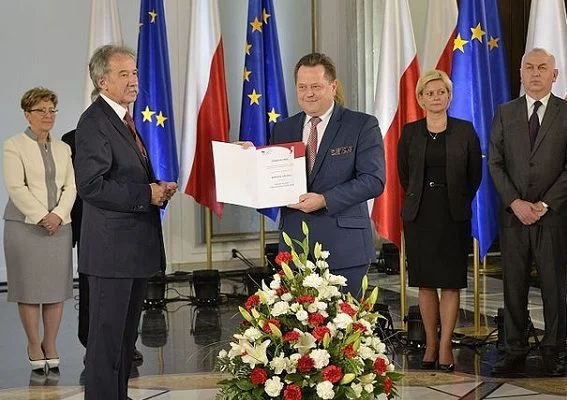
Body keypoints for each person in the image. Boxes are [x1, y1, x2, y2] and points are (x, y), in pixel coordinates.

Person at [74, 44, 177, 399]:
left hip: (131, 252)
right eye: (124, 74)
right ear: (102, 82)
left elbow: (124, 176)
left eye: (134, 73)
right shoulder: (94, 123)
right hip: (111, 255)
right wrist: (145, 194)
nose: (134, 80)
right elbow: (91, 186)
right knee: (106, 344)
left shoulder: (122, 120)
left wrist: (157, 188)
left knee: (123, 343)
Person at [270, 52, 385, 296]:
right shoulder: (282, 129)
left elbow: (373, 181)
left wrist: (325, 199)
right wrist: (249, 159)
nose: (308, 93)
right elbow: (272, 179)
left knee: (347, 320)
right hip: (295, 249)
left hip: (345, 248)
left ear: (333, 87)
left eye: (316, 86)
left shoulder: (361, 125)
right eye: (302, 87)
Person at [489, 47, 567, 377]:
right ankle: (514, 350)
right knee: (513, 286)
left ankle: (555, 351)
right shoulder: (505, 112)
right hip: (514, 217)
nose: (535, 73)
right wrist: (515, 202)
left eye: (542, 68)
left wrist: (544, 204)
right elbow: (495, 162)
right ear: (521, 74)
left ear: (554, 75)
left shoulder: (565, 112)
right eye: (529, 68)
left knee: (553, 286)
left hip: (553, 217)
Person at [398, 70, 482, 372]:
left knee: (450, 283)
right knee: (425, 283)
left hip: (453, 214)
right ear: (421, 99)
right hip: (420, 215)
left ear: (449, 96)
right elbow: (404, 175)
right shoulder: (410, 132)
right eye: (429, 93)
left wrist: (455, 196)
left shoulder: (465, 130)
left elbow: (474, 176)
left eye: (441, 92)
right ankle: (430, 343)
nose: (436, 97)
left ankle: (445, 344)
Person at [2, 87, 76, 372]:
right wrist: (43, 216)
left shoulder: (63, 148)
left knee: (56, 289)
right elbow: (16, 187)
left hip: (59, 226)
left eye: (51, 110)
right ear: (27, 114)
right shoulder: (13, 145)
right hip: (25, 227)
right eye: (41, 110)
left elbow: (71, 186)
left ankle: (51, 343)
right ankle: (34, 344)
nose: (48, 115)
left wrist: (58, 215)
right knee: (30, 289)